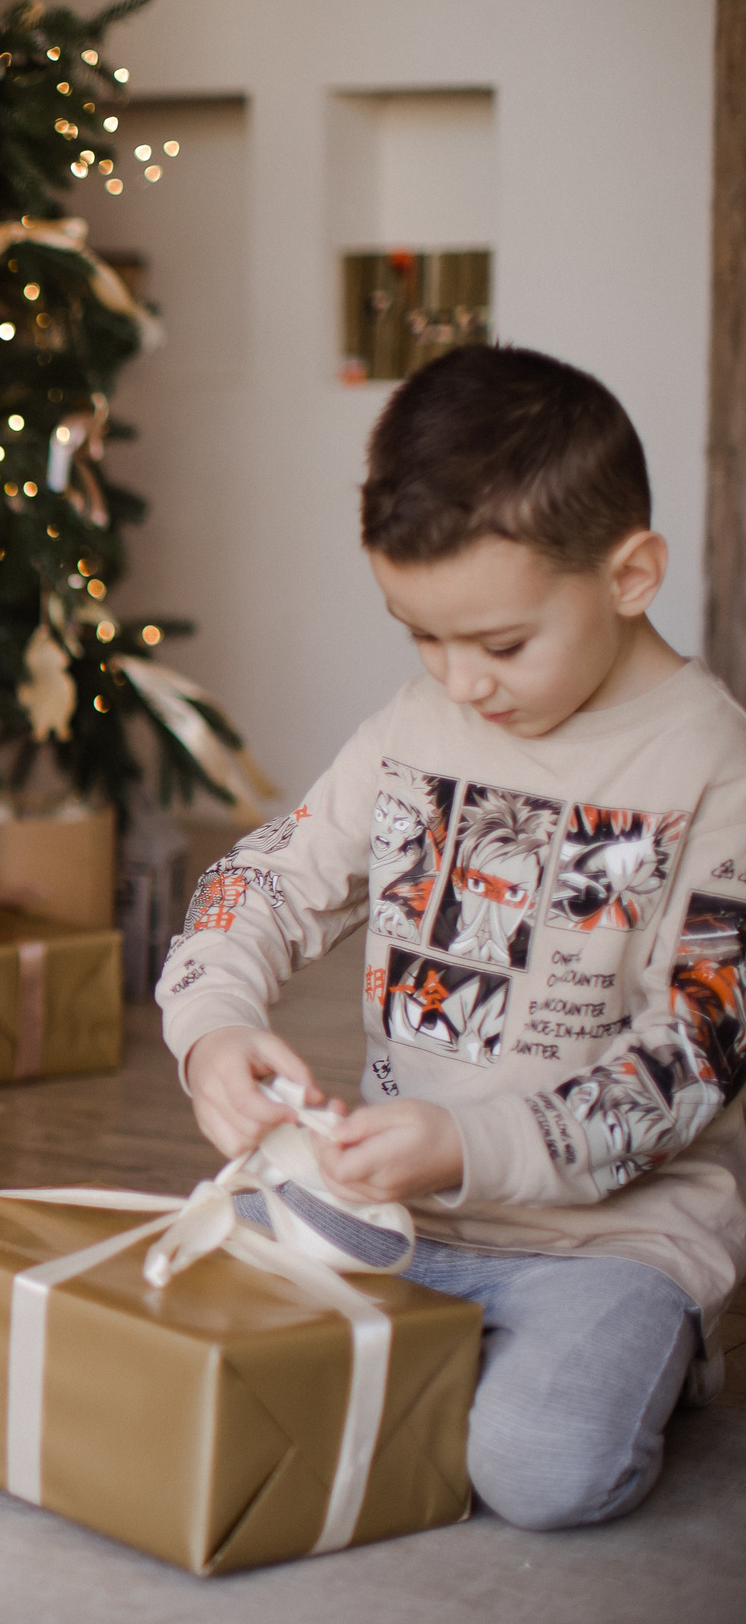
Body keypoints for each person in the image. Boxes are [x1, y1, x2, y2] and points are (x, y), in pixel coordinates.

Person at [161, 343, 746, 1531]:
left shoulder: (715, 774)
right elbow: (265, 882)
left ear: (630, 573)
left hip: (608, 1239)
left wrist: (466, 1144)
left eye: (498, 646)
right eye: (418, 637)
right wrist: (213, 1027)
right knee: (177, 1356)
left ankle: (656, 1357)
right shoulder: (418, 726)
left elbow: (690, 1060)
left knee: (539, 1470)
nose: (457, 683)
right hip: (391, 1210)